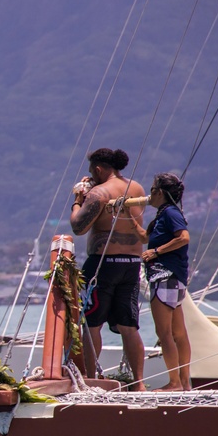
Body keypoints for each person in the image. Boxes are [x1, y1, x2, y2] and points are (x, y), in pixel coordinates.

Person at [70, 148, 147, 390]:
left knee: (92, 323)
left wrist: (78, 199)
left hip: (103, 264)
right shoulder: (136, 187)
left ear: (99, 169)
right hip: (132, 263)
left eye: (93, 170)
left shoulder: (99, 193)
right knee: (128, 325)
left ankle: (91, 379)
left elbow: (78, 227)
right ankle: (139, 383)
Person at [139, 173, 191, 390]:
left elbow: (183, 237)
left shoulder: (170, 212)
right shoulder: (162, 215)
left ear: (160, 192)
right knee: (178, 332)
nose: (149, 194)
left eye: (152, 190)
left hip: (164, 277)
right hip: (173, 279)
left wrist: (156, 252)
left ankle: (175, 382)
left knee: (165, 333)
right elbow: (145, 238)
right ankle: (185, 382)